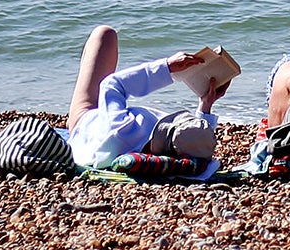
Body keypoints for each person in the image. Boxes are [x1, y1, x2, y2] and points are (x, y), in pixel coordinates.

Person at [64, 24, 233, 170]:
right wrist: (206, 103)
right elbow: (199, 142)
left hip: (84, 123)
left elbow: (111, 85)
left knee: (104, 34)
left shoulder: (123, 129)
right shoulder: (178, 150)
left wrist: (167, 67)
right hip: (101, 139)